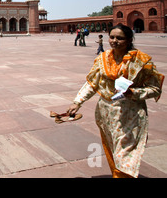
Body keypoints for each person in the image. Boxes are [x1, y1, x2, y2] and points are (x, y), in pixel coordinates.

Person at [67, 24, 164, 178]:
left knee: (124, 153)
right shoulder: (103, 59)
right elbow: (92, 84)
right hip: (106, 113)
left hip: (130, 114)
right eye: (112, 37)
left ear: (129, 40)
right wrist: (77, 102)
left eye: (120, 38)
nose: (114, 41)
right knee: (113, 149)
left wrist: (134, 92)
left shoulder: (141, 61)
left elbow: (155, 89)